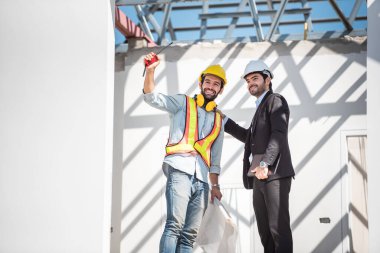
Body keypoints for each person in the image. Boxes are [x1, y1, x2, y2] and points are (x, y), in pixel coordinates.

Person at [142, 52, 225, 253]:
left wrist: (215, 186)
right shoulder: (182, 103)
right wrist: (150, 70)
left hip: (203, 180)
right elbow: (152, 98)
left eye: (216, 84)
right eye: (208, 82)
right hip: (180, 169)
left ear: (220, 90)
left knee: (189, 236)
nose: (211, 87)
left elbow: (215, 159)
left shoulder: (219, 120)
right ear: (201, 83)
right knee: (174, 226)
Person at [223, 60, 295, 253]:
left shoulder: (275, 100)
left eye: (255, 78)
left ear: (267, 79)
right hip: (258, 175)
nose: (250, 83)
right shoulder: (259, 107)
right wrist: (225, 121)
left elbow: (279, 134)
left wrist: (265, 163)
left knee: (278, 229)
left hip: (274, 173)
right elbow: (249, 138)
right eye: (248, 80)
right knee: (265, 232)